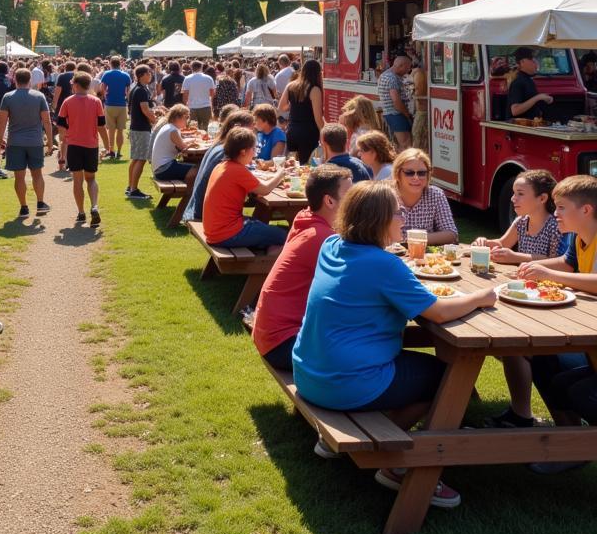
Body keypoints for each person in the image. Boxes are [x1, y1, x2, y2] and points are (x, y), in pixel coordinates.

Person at [292, 181, 494, 504]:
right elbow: (439, 313)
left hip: (309, 373)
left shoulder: (332, 245)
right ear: (378, 221)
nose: (404, 220)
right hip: (344, 383)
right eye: (397, 214)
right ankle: (398, 466)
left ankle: (365, 436)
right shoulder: (382, 264)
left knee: (428, 372)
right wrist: (482, 297)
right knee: (453, 381)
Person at [470, 170, 563, 430]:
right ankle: (520, 412)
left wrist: (517, 258)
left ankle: (522, 413)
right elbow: (501, 244)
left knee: (513, 346)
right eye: (514, 193)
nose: (513, 198)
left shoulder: (555, 226)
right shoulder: (522, 222)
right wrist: (485, 243)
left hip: (546, 303)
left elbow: (561, 266)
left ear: (542, 198)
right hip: (523, 296)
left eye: (520, 194)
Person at [517, 175, 597, 471]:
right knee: (543, 359)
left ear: (586, 210)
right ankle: (572, 448)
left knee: (577, 392)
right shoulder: (580, 238)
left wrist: (551, 276)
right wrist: (529, 266)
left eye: (561, 208)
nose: (556, 214)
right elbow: (567, 263)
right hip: (589, 343)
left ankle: (581, 446)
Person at [253, 164, 353, 369]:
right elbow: (357, 285)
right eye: (350, 195)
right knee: (367, 351)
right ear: (330, 200)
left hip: (271, 335)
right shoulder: (323, 238)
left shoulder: (306, 218)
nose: (355, 200)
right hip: (284, 343)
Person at [201, 129, 287, 250]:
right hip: (226, 233)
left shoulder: (222, 165)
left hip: (214, 230)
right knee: (284, 235)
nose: (255, 153)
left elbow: (248, 191)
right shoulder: (237, 170)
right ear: (243, 152)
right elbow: (265, 189)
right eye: (253, 149)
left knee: (262, 226)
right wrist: (281, 173)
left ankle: (263, 252)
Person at [0, 68, 53, 219]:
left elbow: (2, 121)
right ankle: (40, 203)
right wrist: (50, 141)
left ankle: (24, 207)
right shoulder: (39, 96)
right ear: (30, 81)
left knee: (19, 177)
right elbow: (46, 121)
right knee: (37, 174)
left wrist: (0, 138)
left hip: (15, 141)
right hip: (35, 141)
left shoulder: (7, 97)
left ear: (15, 80)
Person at [182, 110, 254, 222]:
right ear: (238, 128)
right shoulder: (226, 152)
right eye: (250, 129)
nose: (252, 134)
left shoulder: (219, 145)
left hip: (197, 207)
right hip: (204, 213)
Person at [57, 72, 105, 227]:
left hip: (74, 145)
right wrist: (108, 145)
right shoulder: (96, 101)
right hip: (91, 145)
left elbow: (61, 125)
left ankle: (81, 212)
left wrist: (63, 142)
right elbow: (101, 126)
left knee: (77, 180)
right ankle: (95, 206)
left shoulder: (67, 101)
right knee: (91, 178)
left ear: (76, 85)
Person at [392, 148, 458, 245]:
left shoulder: (436, 194)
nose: (416, 178)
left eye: (421, 173)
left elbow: (451, 233)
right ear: (397, 174)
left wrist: (410, 239)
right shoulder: (385, 194)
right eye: (409, 173)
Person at [277, 60, 324, 164]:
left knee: (292, 164)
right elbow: (318, 118)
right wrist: (325, 133)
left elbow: (281, 107)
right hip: (308, 132)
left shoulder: (291, 85)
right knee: (305, 165)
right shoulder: (314, 89)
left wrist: (295, 105)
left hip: (292, 130)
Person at [126, 65, 157, 200]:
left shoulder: (137, 89)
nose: (150, 75)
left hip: (136, 126)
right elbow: (145, 109)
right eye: (148, 73)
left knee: (136, 158)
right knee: (141, 158)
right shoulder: (141, 90)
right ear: (142, 75)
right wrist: (156, 120)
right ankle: (134, 190)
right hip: (141, 128)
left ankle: (130, 186)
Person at [150, 105, 199, 186]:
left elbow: (180, 144)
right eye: (186, 117)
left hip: (161, 168)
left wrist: (190, 142)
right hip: (163, 169)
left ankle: (188, 192)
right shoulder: (173, 130)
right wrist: (192, 144)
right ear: (178, 117)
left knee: (195, 167)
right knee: (197, 169)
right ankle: (188, 194)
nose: (187, 120)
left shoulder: (169, 127)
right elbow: (184, 149)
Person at [507, 47, 555, 123]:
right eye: (532, 59)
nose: (536, 63)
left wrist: (543, 98)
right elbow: (515, 110)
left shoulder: (528, 80)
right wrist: (538, 97)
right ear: (522, 62)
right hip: (521, 130)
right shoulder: (518, 82)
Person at [99, 56, 132, 160]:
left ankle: (111, 150)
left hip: (110, 104)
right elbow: (128, 90)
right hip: (122, 104)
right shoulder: (126, 75)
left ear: (110, 63)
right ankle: (119, 151)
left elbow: (102, 87)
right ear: (120, 64)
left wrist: (105, 96)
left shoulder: (106, 74)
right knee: (120, 130)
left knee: (111, 130)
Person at [377, 55, 413, 150]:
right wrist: (407, 114)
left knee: (398, 145)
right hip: (397, 114)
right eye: (408, 67)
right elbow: (396, 101)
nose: (408, 70)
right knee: (406, 144)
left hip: (391, 114)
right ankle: (404, 164)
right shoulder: (392, 78)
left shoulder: (385, 75)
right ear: (401, 66)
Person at [51, 59, 77, 170]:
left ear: (65, 67)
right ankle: (70, 159)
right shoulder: (78, 75)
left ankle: (63, 159)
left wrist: (54, 106)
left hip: (62, 108)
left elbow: (57, 92)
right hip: (75, 108)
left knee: (63, 136)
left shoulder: (62, 77)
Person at [181, 59, 216, 130]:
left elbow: (185, 95)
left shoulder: (187, 79)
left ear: (191, 68)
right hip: (205, 106)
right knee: (205, 129)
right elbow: (212, 94)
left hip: (192, 107)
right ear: (201, 67)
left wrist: (185, 106)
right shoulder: (209, 78)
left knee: (193, 129)